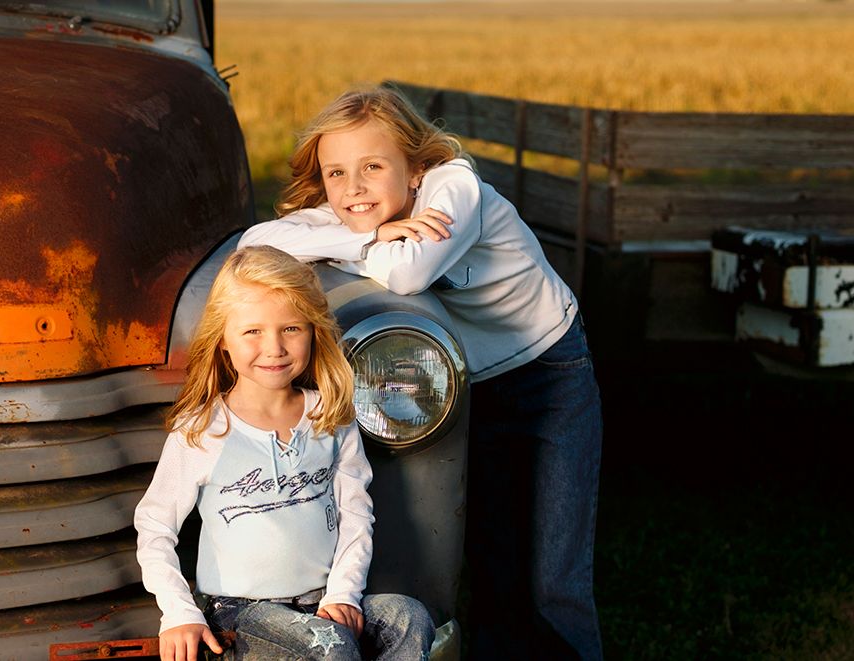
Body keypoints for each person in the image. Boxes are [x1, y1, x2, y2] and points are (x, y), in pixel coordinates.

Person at [238, 86, 604, 659]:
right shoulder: (363, 212)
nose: (353, 188)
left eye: (373, 167)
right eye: (336, 174)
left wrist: (355, 244)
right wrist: (367, 234)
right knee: (489, 554)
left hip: (546, 373)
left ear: (416, 169)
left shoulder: (453, 185)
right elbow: (256, 241)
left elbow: (406, 275)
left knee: (552, 573)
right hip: (467, 384)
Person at [134, 245, 435, 661]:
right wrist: (179, 612)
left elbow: (355, 513)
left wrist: (343, 594)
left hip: (319, 602)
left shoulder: (331, 417)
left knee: (408, 618)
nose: (274, 347)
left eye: (291, 328)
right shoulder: (204, 429)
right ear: (223, 340)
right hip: (241, 614)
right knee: (329, 649)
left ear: (313, 331)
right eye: (252, 332)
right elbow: (154, 526)